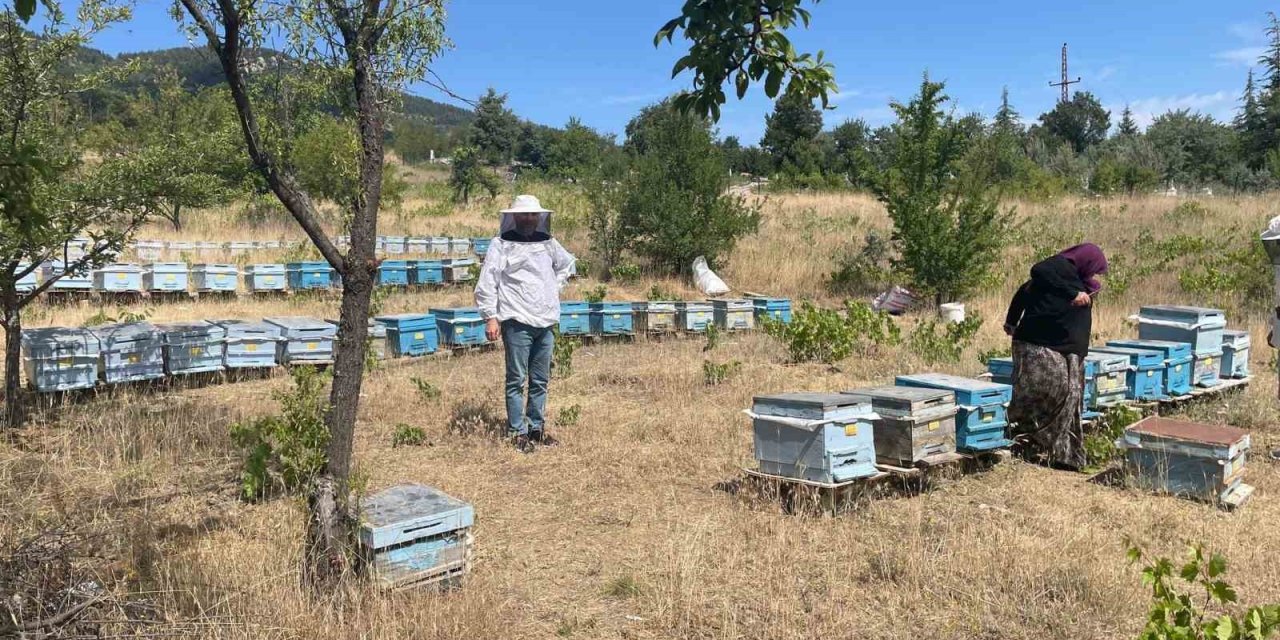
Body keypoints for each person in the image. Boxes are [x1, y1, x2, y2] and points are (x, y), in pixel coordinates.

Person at [474, 195, 576, 453]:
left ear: (539, 217)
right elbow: (488, 281)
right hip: (516, 320)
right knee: (517, 379)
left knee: (540, 379)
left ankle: (536, 429)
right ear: (515, 217)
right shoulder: (501, 244)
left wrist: (554, 286)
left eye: (533, 214)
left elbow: (567, 264)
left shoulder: (548, 242)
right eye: (525, 214)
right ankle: (517, 432)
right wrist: (490, 317)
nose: (530, 218)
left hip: (545, 320)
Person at [1003, 243, 1108, 470]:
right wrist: (1011, 321)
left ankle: (1065, 455)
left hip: (1070, 350)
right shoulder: (1059, 269)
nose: (1094, 275)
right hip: (1039, 343)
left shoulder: (1080, 282)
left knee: (1072, 397)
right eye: (1094, 269)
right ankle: (1022, 433)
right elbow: (1034, 275)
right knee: (1051, 389)